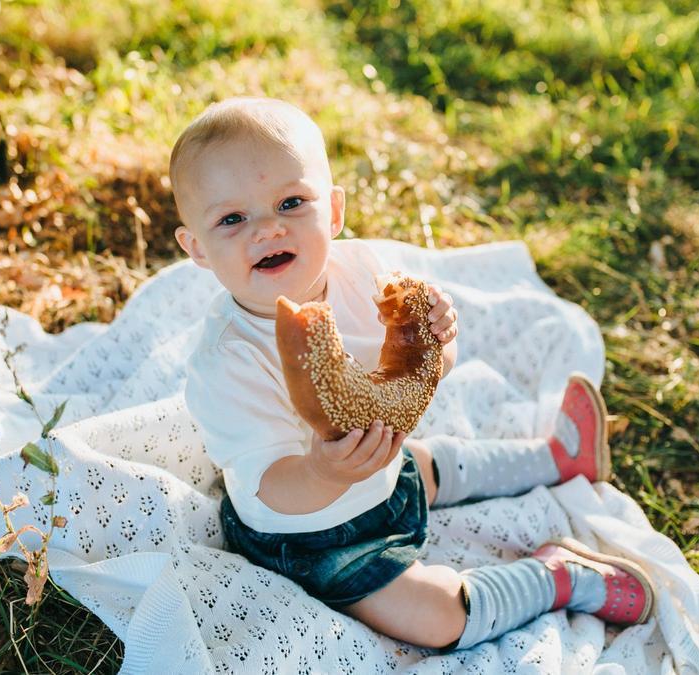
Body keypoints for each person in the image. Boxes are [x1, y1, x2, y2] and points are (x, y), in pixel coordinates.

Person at [172, 96, 654, 650]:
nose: (267, 229)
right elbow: (263, 482)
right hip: (312, 537)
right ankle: (557, 577)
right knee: (437, 619)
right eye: (232, 219)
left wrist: (439, 342)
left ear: (332, 211)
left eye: (291, 201)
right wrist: (322, 473)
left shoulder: (364, 272)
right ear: (198, 249)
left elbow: (415, 380)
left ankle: (556, 457)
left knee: (424, 462)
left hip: (386, 467)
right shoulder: (225, 361)